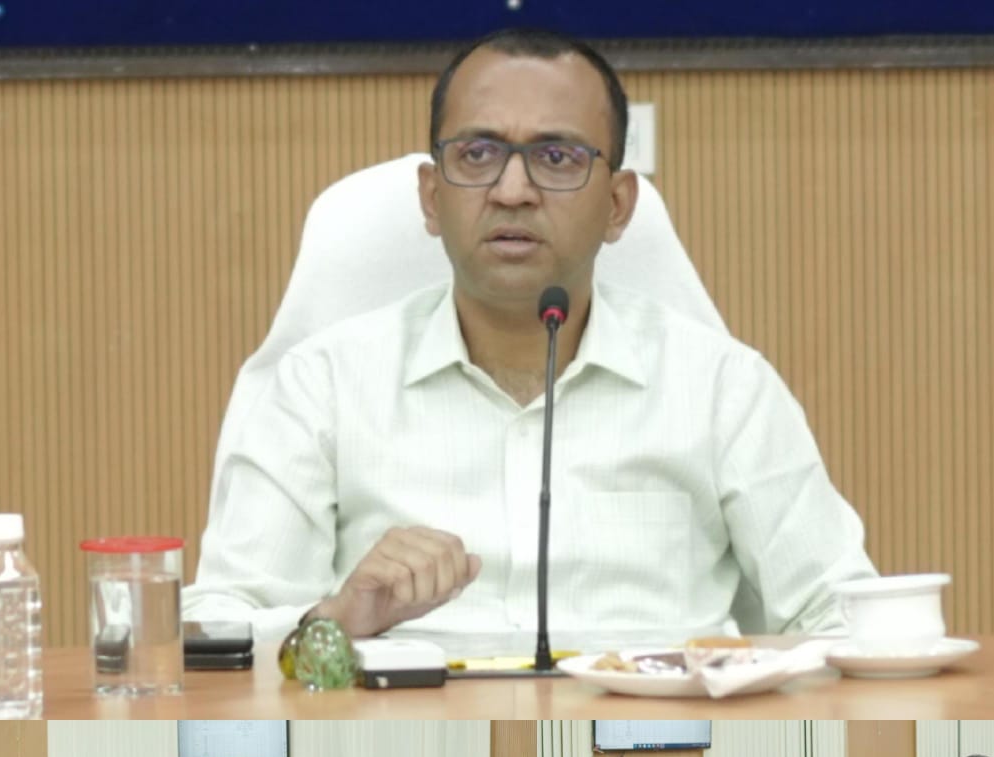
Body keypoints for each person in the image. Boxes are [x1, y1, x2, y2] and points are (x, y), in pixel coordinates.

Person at [184, 27, 876, 644]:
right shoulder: (321, 386)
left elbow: (840, 615)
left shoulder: (723, 388)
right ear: (431, 196)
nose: (512, 189)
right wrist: (335, 619)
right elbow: (216, 630)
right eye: (477, 153)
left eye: (557, 157)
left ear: (617, 205)